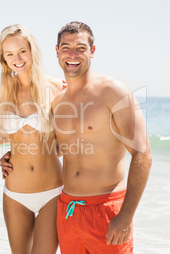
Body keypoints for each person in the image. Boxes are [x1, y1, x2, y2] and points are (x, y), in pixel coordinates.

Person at [52, 21, 152, 253]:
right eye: (66, 47)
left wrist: (125, 216)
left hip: (107, 211)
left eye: (81, 48)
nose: (72, 54)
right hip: (68, 210)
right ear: (56, 52)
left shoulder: (113, 91)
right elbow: (57, 148)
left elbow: (142, 154)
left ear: (92, 51)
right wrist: (13, 157)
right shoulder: (57, 102)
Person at [0, 24, 65, 254]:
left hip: (52, 193)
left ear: (33, 50)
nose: (17, 58)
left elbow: (68, 140)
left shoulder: (56, 87)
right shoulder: (4, 90)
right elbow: (6, 135)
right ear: (4, 59)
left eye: (22, 51)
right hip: (15, 194)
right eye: (10, 54)